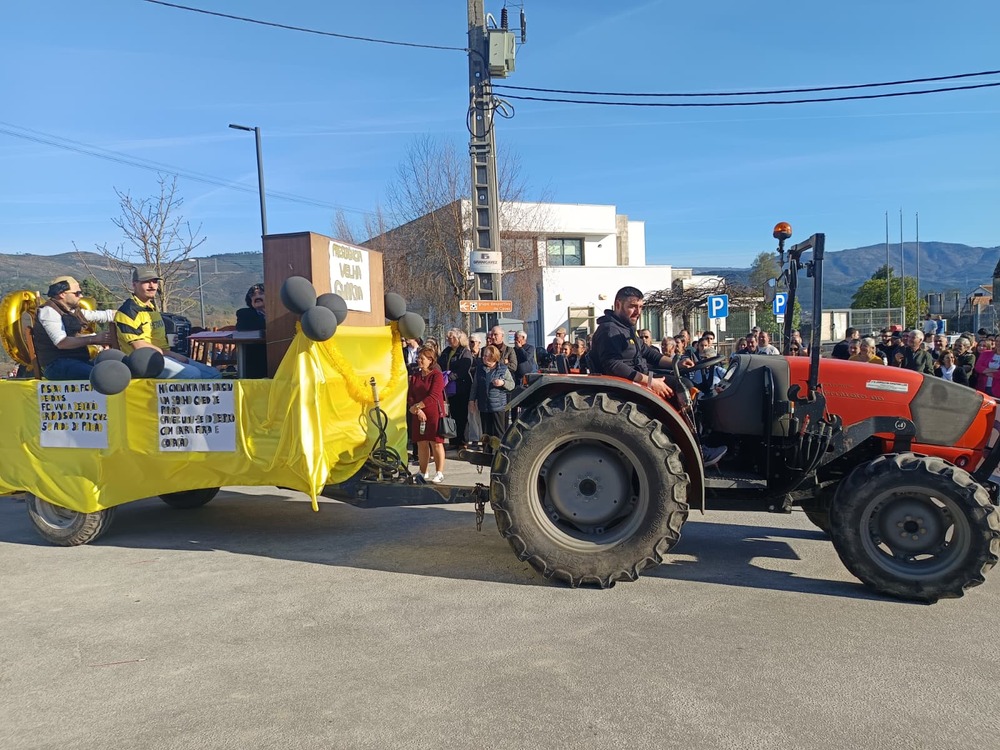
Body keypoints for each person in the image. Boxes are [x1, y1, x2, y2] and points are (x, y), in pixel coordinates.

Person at [589, 286, 726, 467]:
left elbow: (647, 352)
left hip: (639, 377)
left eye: (641, 307)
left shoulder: (626, 328)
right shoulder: (610, 331)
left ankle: (697, 440)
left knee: (683, 381)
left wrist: (675, 362)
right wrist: (650, 382)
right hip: (629, 383)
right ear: (618, 304)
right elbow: (613, 365)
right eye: (632, 306)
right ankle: (697, 450)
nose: (638, 312)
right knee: (683, 385)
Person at [115, 266, 220, 380]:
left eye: (154, 281)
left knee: (214, 374)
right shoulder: (128, 311)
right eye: (146, 282)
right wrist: (173, 355)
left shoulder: (150, 307)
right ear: (134, 284)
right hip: (145, 362)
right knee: (193, 374)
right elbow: (139, 347)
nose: (152, 286)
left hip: (164, 356)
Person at [32, 275, 115, 380]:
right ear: (62, 294)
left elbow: (104, 315)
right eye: (77, 293)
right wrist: (94, 339)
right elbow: (62, 343)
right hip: (57, 365)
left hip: (76, 361)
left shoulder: (73, 311)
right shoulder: (49, 311)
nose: (81, 296)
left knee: (112, 368)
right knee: (102, 376)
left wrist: (124, 314)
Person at [407, 345, 447, 483]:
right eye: (418, 358)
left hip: (433, 414)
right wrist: (417, 410)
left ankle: (439, 472)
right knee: (421, 443)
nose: (419, 360)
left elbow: (434, 395)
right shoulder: (415, 376)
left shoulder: (436, 375)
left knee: (435, 443)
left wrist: (418, 407)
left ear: (430, 360)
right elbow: (411, 395)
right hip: (419, 415)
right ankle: (423, 472)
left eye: (422, 358)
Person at [438, 329, 474, 450]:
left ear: (459, 339)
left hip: (461, 387)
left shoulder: (465, 352)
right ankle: (453, 439)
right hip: (449, 387)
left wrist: (451, 377)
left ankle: (463, 441)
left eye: (452, 337)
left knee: (462, 415)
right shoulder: (447, 351)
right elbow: (440, 364)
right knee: (452, 414)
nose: (450, 340)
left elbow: (464, 369)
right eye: (448, 337)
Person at [473, 344, 515, 444]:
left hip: (497, 406)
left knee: (498, 433)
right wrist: (472, 400)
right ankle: (486, 453)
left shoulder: (503, 369)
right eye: (483, 355)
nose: (483, 358)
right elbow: (475, 386)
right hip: (484, 405)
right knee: (486, 434)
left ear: (493, 357)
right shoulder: (480, 369)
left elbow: (512, 385)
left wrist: (503, 383)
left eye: (486, 356)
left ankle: (497, 454)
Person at [234, 282, 267, 378]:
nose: (256, 297)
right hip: (255, 357)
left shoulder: (280, 314)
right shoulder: (244, 314)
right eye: (253, 295)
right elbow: (242, 328)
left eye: (261, 293)